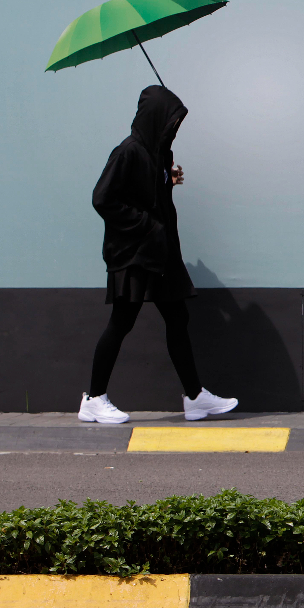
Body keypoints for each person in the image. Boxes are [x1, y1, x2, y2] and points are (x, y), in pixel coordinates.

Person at [78, 85, 238, 424]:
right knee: (121, 323)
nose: (175, 128)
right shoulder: (128, 152)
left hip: (160, 255)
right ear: (155, 119)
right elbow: (103, 199)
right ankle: (93, 398)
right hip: (133, 254)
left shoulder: (159, 154)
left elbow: (147, 193)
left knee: (178, 319)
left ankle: (194, 398)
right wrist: (147, 226)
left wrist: (167, 180)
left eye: (177, 123)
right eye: (171, 121)